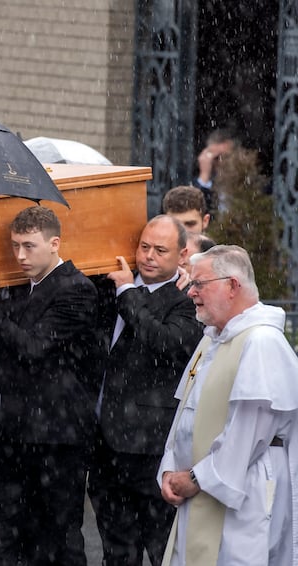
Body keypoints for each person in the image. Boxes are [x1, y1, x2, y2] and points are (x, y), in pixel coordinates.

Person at [0, 206, 101, 565]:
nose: (20, 256)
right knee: (9, 534)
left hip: (57, 437)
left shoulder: (77, 289)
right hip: (17, 433)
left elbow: (34, 348)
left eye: (29, 246)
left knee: (60, 538)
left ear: (55, 243)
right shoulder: (22, 288)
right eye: (14, 246)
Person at [158, 245, 298, 565]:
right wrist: (169, 468)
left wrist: (194, 479)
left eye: (199, 284)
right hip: (200, 486)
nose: (191, 292)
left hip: (243, 494)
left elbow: (249, 435)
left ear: (232, 285)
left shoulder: (261, 341)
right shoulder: (213, 339)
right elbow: (186, 414)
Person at [88, 215, 204, 566]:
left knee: (161, 547)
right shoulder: (110, 285)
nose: (149, 256)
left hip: (150, 446)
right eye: (144, 246)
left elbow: (165, 341)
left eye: (160, 250)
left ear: (182, 255)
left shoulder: (186, 299)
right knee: (116, 548)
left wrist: (128, 292)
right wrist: (121, 289)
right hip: (105, 445)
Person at [193, 128, 237, 214]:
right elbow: (195, 214)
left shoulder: (251, 183)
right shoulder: (200, 186)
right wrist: (204, 176)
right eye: (217, 158)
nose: (222, 162)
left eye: (227, 157)